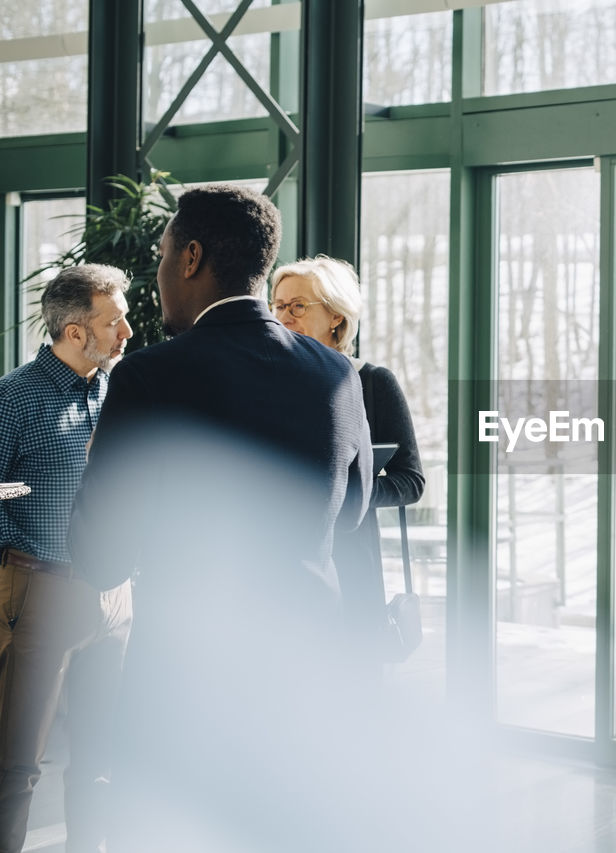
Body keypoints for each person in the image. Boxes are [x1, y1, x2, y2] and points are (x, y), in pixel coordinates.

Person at [68, 185, 373, 852]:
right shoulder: (337, 374)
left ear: (192, 257)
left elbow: (99, 554)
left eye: (163, 253)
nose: (159, 270)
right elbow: (349, 515)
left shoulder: (149, 376)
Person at [0, 265, 133, 853]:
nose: (127, 329)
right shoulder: (16, 396)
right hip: (42, 591)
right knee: (17, 763)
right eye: (114, 320)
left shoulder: (118, 390)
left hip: (115, 596)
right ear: (76, 333)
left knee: (101, 756)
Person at [269, 256, 424, 662]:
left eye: (298, 306)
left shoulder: (373, 383)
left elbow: (411, 481)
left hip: (351, 567)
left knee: (353, 694)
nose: (284, 316)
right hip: (277, 570)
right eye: (278, 305)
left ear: (336, 317)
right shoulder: (264, 382)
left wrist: (345, 490)